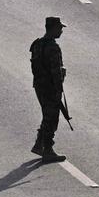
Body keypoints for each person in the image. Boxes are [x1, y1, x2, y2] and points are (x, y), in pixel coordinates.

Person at [30, 16, 67, 163]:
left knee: (47, 114)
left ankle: (39, 144)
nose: (61, 31)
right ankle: (48, 149)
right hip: (50, 87)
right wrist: (59, 90)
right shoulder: (53, 47)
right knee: (52, 118)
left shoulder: (37, 44)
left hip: (39, 85)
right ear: (52, 28)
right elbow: (55, 71)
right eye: (60, 28)